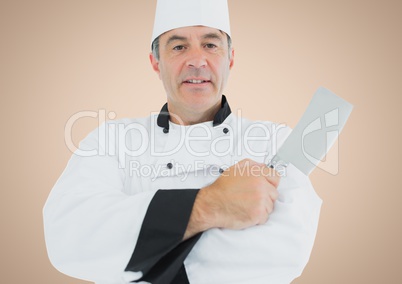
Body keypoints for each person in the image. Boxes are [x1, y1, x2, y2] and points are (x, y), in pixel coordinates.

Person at [43, 0, 322, 283]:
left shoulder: (275, 140)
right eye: (178, 47)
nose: (197, 60)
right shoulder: (111, 139)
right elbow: (68, 236)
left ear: (231, 58)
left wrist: (142, 258)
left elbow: (288, 250)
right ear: (156, 62)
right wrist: (212, 203)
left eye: (211, 45)